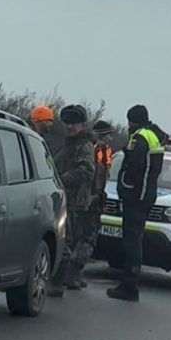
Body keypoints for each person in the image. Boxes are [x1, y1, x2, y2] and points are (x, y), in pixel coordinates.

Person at [107, 105, 166, 302]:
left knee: (131, 240)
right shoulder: (153, 135)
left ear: (132, 120)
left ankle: (129, 285)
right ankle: (130, 282)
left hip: (136, 196)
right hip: (146, 194)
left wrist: (125, 188)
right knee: (135, 238)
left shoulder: (140, 137)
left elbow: (134, 166)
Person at [49, 104, 95, 297]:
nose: (69, 127)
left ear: (81, 124)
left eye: (73, 123)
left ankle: (58, 281)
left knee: (65, 239)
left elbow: (86, 171)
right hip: (64, 196)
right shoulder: (68, 144)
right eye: (67, 123)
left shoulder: (84, 146)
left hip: (73, 200)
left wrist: (61, 180)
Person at [69, 120, 114, 289]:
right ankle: (72, 274)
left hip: (84, 199)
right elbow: (96, 177)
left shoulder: (87, 147)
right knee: (87, 237)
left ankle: (73, 274)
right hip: (89, 200)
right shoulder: (98, 150)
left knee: (77, 236)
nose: (110, 139)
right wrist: (96, 197)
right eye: (108, 135)